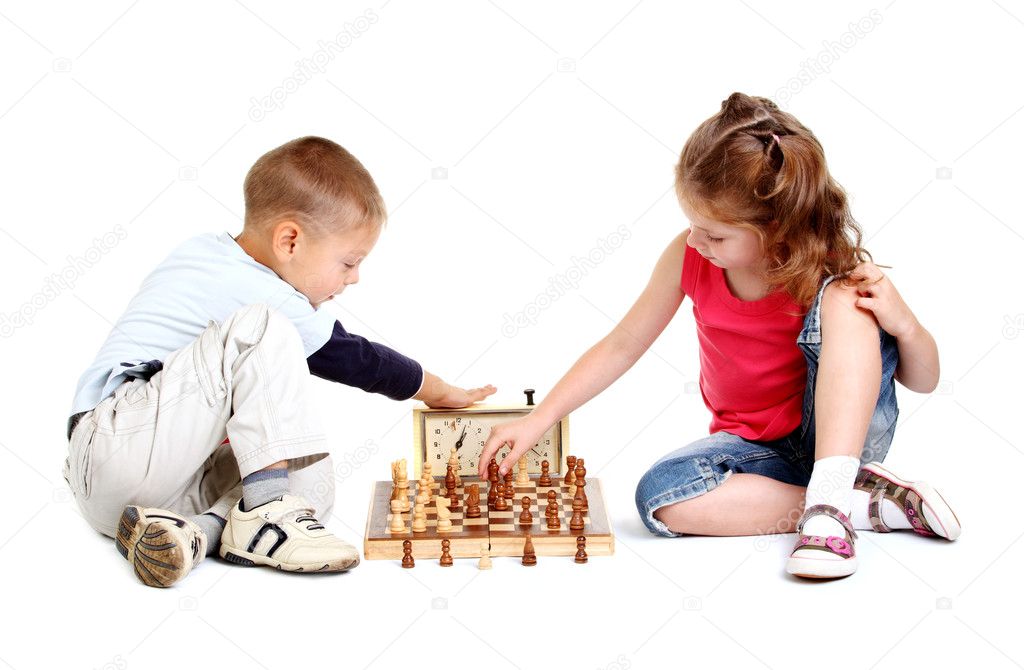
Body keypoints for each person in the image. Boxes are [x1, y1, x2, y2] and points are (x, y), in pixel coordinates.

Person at [478, 93, 959, 579]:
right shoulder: (688, 258)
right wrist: (541, 418)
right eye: (691, 226)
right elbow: (623, 344)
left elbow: (923, 380)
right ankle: (859, 505)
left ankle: (832, 499)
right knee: (659, 496)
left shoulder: (831, 266)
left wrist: (906, 325)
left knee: (845, 299)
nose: (695, 241)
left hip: (838, 440)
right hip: (754, 457)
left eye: (714, 234)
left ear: (775, 225)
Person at [65, 136, 494, 587]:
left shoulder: (209, 252)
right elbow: (352, 357)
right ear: (290, 240)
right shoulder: (255, 291)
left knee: (309, 482)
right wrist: (439, 390)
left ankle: (194, 534)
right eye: (348, 263)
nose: (355, 278)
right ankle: (265, 512)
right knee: (263, 328)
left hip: (151, 488)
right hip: (112, 443)